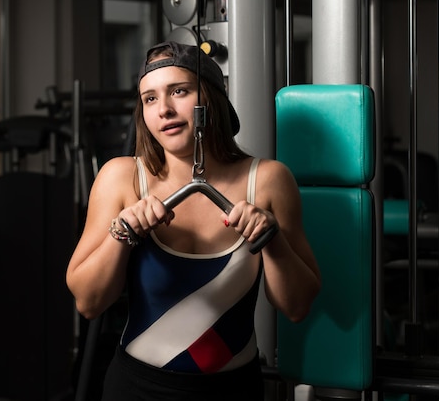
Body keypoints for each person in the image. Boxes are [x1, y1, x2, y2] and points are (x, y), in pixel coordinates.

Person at [66, 41, 321, 401]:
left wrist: (271, 238)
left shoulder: (266, 180)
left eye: (179, 91)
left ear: (211, 100)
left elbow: (297, 308)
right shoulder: (122, 178)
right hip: (137, 389)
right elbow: (88, 303)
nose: (164, 110)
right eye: (150, 99)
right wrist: (121, 232)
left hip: (233, 392)